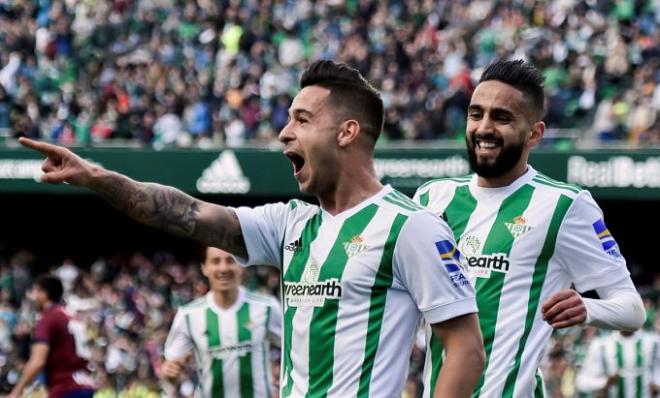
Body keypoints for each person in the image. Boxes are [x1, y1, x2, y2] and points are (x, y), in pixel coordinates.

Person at [19, 60, 485, 397]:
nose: (283, 133)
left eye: (302, 120)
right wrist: (97, 178)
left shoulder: (412, 227)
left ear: (346, 132)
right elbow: (182, 213)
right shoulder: (290, 223)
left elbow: (465, 350)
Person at [413, 59, 646, 398]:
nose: (484, 128)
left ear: (534, 134)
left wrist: (587, 308)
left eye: (502, 117)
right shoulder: (432, 198)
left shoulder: (565, 205)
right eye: (476, 114)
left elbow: (632, 310)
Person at [160, 246, 282, 398]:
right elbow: (171, 367)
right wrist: (169, 373)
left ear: (242, 266)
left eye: (230, 261)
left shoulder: (267, 308)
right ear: (205, 268)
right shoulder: (188, 315)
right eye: (216, 261)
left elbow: (294, 349)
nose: (223, 268)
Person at [8, 275, 95, 398]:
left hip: (66, 387)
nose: (32, 297)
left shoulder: (49, 317)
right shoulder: (71, 316)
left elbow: (38, 361)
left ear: (44, 293)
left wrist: (16, 392)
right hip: (84, 385)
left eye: (34, 291)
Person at [576, 329, 660, 398]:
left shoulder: (655, 343)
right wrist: (605, 382)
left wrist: (657, 386)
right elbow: (582, 382)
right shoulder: (601, 344)